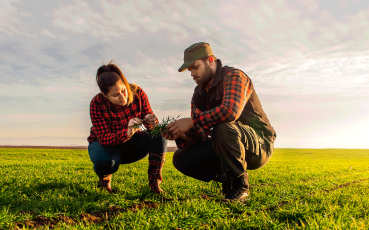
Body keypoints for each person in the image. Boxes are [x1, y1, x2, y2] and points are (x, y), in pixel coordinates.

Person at [163, 42, 276, 201]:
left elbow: (230, 111)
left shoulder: (234, 76)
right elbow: (199, 133)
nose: (192, 74)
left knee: (222, 127)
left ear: (210, 60)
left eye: (195, 67)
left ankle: (238, 189)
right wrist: (180, 134)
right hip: (224, 144)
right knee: (181, 158)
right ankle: (230, 178)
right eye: (190, 70)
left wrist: (192, 121)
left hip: (258, 145)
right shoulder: (198, 94)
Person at [87, 61, 167, 194]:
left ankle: (155, 184)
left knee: (158, 135)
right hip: (105, 145)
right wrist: (127, 132)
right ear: (105, 96)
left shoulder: (137, 92)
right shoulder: (96, 104)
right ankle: (104, 182)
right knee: (106, 161)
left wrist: (152, 120)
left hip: (131, 145)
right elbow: (104, 139)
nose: (123, 97)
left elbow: (149, 121)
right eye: (115, 95)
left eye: (123, 90)